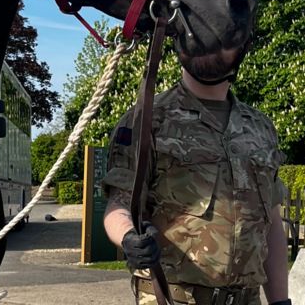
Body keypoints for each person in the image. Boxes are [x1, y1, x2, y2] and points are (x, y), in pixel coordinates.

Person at [102, 59, 291, 305]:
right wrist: (128, 237)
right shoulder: (148, 119)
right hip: (174, 298)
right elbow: (119, 203)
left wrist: (280, 301)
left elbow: (272, 223)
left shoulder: (259, 127)